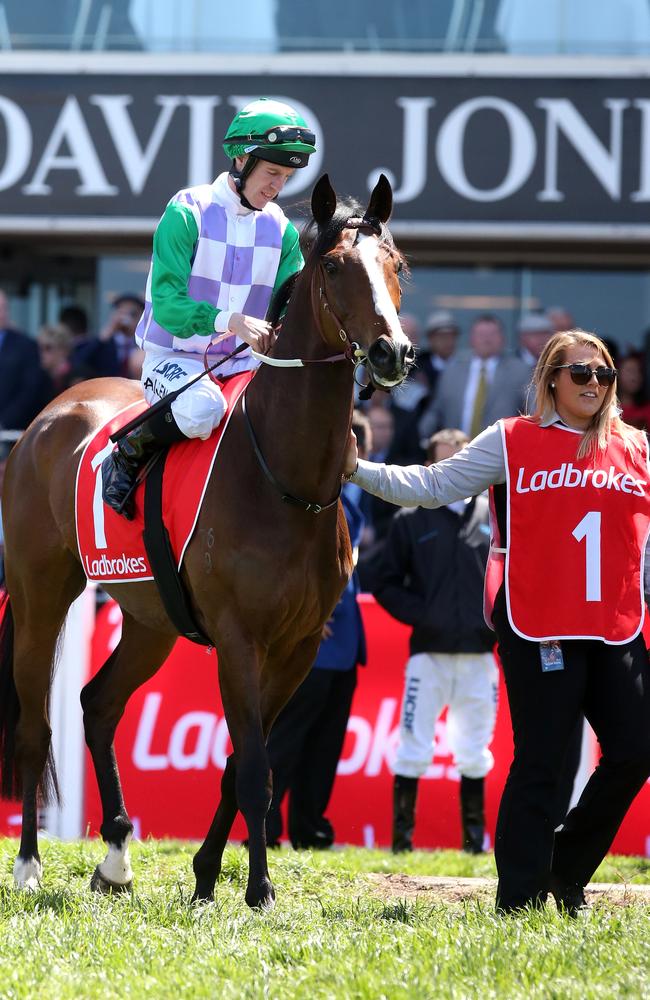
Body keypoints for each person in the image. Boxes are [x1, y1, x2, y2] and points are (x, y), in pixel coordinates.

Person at [343, 328, 650, 915]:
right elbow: (434, 486)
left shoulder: (636, 446)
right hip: (539, 626)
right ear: (551, 379)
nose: (594, 383)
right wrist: (358, 470)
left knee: (637, 748)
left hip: (615, 626)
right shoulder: (512, 439)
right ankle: (520, 897)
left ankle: (564, 867)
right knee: (542, 759)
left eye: (604, 374)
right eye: (580, 373)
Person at [101, 98, 316, 519]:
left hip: (243, 366)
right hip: (175, 358)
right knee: (203, 410)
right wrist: (229, 321)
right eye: (272, 172)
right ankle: (129, 450)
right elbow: (166, 305)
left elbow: (292, 306)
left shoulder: (282, 231)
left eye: (286, 177)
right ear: (240, 158)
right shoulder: (187, 211)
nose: (277, 187)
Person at [373, 429, 497, 855]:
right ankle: (401, 844)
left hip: (480, 656)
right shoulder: (411, 519)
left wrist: (493, 622)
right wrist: (424, 615)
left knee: (475, 751)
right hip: (428, 656)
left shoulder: (494, 515)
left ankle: (473, 846)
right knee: (413, 746)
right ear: (430, 467)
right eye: (446, 461)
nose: (455, 468)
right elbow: (385, 582)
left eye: (462, 460)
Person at [264, 411, 370, 849]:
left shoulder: (353, 496)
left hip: (344, 645)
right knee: (287, 740)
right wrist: (311, 611)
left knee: (326, 746)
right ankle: (267, 826)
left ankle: (310, 827)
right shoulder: (309, 495)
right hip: (314, 639)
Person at [418, 313, 530, 441]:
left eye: (492, 334)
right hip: (456, 450)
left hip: (501, 451)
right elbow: (436, 410)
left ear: (503, 339)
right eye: (481, 335)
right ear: (471, 339)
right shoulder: (452, 370)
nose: (487, 340)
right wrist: (422, 439)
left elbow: (533, 412)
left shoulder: (520, 370)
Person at [0, 290, 50, 431]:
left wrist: (4, 422)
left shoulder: (26, 345)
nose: (2, 313)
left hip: (11, 431)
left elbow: (30, 389)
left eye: (4, 308)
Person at [616, 352, 650, 431]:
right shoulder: (608, 409)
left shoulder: (647, 408)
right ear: (617, 375)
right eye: (629, 371)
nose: (635, 376)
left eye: (639, 371)